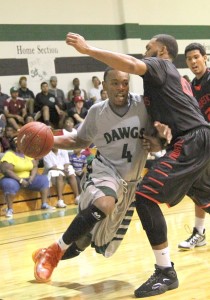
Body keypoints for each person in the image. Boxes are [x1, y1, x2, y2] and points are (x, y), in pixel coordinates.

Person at [63, 33, 210, 298]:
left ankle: (165, 271)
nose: (145, 51)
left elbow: (129, 64)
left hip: (192, 141)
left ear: (161, 50)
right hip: (195, 141)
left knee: (144, 197)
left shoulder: (161, 65)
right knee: (206, 200)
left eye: (148, 47)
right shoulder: (165, 81)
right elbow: (177, 119)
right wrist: (158, 143)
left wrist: (88, 49)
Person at [32, 67, 172, 287]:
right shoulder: (97, 112)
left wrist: (157, 142)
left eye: (125, 83)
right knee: (105, 203)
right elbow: (78, 141)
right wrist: (48, 141)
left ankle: (47, 254)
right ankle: (53, 252)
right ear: (104, 86)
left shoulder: (144, 106)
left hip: (130, 184)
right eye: (115, 83)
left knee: (86, 239)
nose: (121, 88)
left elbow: (161, 137)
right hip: (104, 171)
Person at [178, 43, 210, 250]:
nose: (193, 62)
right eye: (189, 59)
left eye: (196, 57)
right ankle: (199, 233)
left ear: (205, 57)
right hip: (204, 143)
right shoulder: (190, 87)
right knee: (198, 186)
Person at [0, 137, 53, 218]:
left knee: (44, 179)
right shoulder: (9, 155)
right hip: (12, 178)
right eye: (16, 141)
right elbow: (6, 171)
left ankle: (44, 204)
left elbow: (34, 166)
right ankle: (9, 209)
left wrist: (32, 177)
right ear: (13, 144)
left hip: (28, 178)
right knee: (9, 184)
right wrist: (20, 180)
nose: (19, 143)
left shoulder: (27, 154)